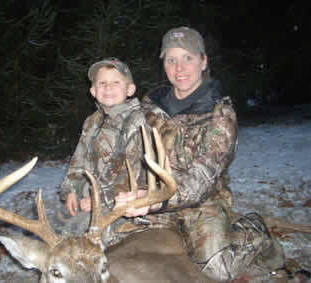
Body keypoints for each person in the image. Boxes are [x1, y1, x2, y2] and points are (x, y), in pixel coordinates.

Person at [115, 27, 285, 282]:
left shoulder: (220, 115)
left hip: (203, 204)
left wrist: (153, 201)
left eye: (188, 58)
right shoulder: (147, 107)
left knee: (217, 271)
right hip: (154, 202)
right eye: (171, 59)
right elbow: (129, 158)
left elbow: (202, 179)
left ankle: (253, 232)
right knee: (111, 244)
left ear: (203, 62)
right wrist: (126, 193)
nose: (179, 68)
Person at [59, 58, 148, 220]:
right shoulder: (92, 121)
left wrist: (99, 199)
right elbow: (78, 160)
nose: (108, 87)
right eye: (102, 83)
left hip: (119, 204)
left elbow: (134, 176)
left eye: (116, 82)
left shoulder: (136, 122)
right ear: (93, 90)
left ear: (130, 89)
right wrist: (70, 190)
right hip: (86, 198)